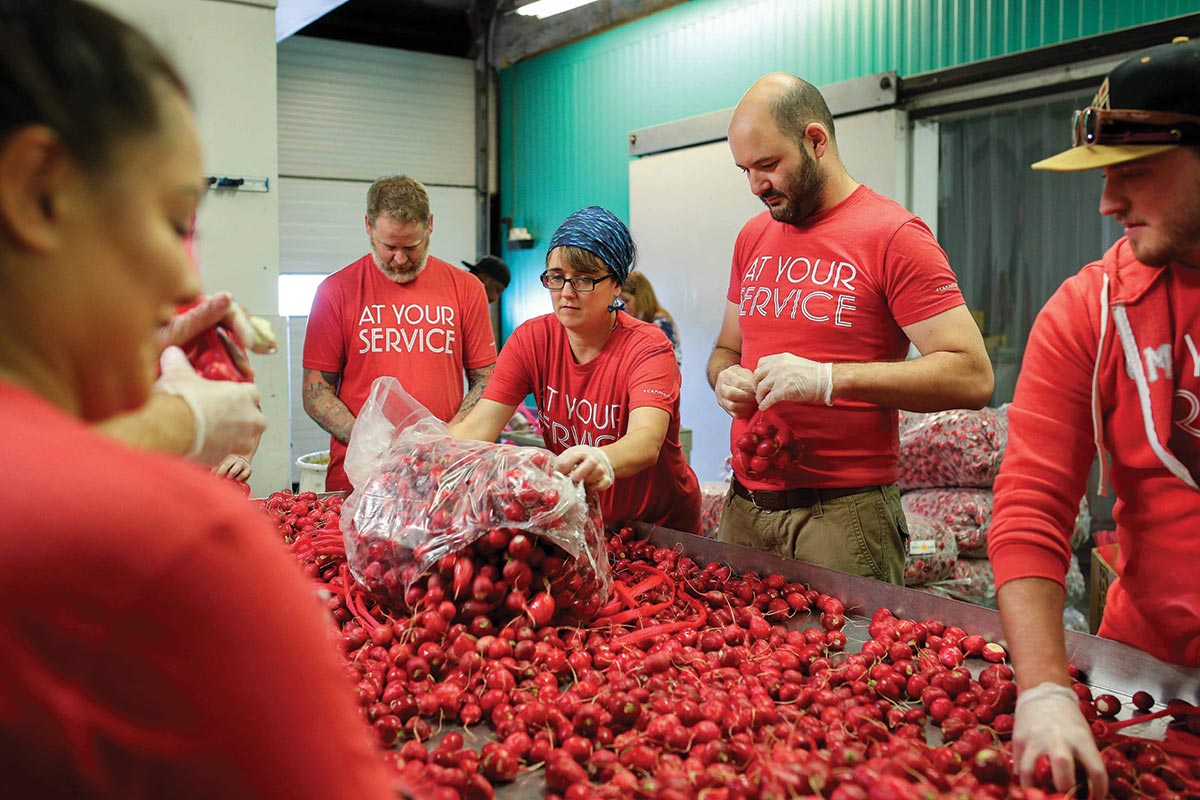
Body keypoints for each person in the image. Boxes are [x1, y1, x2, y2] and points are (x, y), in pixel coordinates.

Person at [0, 1, 398, 797]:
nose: (188, 281)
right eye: (175, 219)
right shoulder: (168, 543)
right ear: (40, 192)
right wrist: (182, 429)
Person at [988, 36, 1200, 799]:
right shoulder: (1091, 309)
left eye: (1134, 173)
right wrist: (1045, 689)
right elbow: (1033, 504)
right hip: (1148, 679)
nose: (1108, 203)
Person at [708, 72, 993, 583]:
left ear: (815, 140)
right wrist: (724, 379)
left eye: (768, 165)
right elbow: (727, 350)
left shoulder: (893, 235)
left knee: (847, 662)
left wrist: (829, 380)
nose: (756, 186)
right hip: (745, 509)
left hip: (842, 516)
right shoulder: (752, 237)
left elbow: (971, 375)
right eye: (744, 170)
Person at [451, 206, 702, 533]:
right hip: (585, 521)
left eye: (583, 279)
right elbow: (478, 427)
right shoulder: (532, 340)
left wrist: (604, 458)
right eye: (556, 278)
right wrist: (419, 451)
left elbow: (646, 440)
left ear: (616, 285)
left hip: (659, 528)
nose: (566, 293)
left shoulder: (647, 346)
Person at [303, 174, 498, 492]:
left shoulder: (466, 289)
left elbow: (487, 379)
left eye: (412, 246)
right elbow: (315, 391)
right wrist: (368, 441)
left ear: (430, 225)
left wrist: (450, 436)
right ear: (368, 226)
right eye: (388, 246)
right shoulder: (335, 291)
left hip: (442, 473)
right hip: (360, 478)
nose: (400, 258)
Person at [620, 271, 682, 367]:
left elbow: (665, 364)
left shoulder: (660, 323)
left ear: (641, 297)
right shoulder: (647, 321)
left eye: (626, 301)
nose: (623, 307)